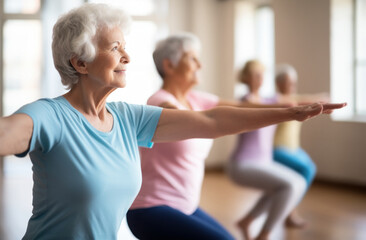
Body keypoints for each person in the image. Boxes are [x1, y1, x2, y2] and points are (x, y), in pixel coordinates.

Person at [0, 3, 345, 240]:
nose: (128, 56)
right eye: (115, 47)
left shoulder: (127, 118)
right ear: (81, 63)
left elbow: (210, 119)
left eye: (125, 46)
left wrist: (291, 111)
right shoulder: (50, 116)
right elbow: (7, 132)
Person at [227, 60, 311, 240]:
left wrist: (321, 102)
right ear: (246, 78)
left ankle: (247, 221)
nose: (260, 78)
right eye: (256, 75)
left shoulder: (268, 100)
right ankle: (264, 235)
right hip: (243, 164)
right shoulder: (245, 102)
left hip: (264, 162)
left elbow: (295, 100)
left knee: (294, 184)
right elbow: (278, 105)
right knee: (289, 186)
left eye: (262, 74)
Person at [273, 64, 329, 228]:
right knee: (307, 169)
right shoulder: (276, 100)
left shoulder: (294, 98)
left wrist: (323, 98)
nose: (292, 86)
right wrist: (319, 100)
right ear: (278, 83)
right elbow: (300, 101)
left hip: (294, 149)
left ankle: (288, 210)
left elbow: (303, 98)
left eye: (294, 82)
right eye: (288, 82)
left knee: (307, 169)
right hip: (277, 149)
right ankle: (288, 209)